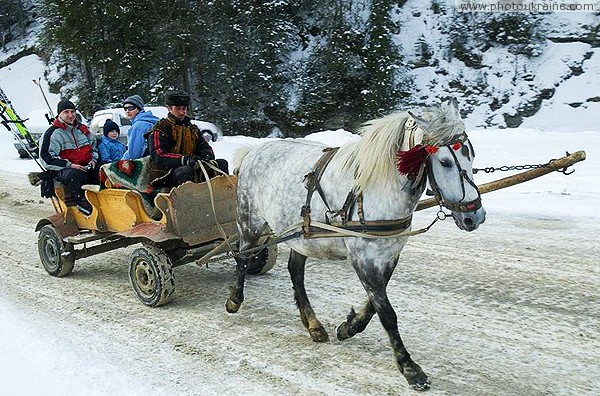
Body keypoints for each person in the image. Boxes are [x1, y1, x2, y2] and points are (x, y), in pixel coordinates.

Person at [147, 90, 228, 188]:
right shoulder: (160, 128)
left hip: (192, 167)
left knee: (222, 163)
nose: (182, 112)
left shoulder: (192, 129)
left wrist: (206, 156)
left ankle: (224, 195)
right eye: (177, 108)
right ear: (169, 108)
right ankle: (190, 201)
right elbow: (158, 155)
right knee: (185, 171)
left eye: (184, 108)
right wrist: (183, 160)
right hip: (165, 173)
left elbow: (204, 147)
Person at [39, 99, 98, 216]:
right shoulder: (53, 133)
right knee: (75, 175)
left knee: (103, 169)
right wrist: (70, 165)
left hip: (86, 165)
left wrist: (93, 160)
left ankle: (103, 199)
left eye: (72, 111)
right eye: (66, 112)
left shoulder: (83, 130)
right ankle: (80, 201)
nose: (70, 115)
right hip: (64, 170)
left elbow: (94, 148)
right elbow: (46, 158)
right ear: (59, 114)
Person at [121, 94, 159, 160]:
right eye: (125, 108)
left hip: (145, 162)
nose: (127, 111)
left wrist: (120, 162)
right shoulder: (150, 120)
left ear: (139, 108)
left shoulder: (139, 125)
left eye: (131, 108)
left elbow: (135, 153)